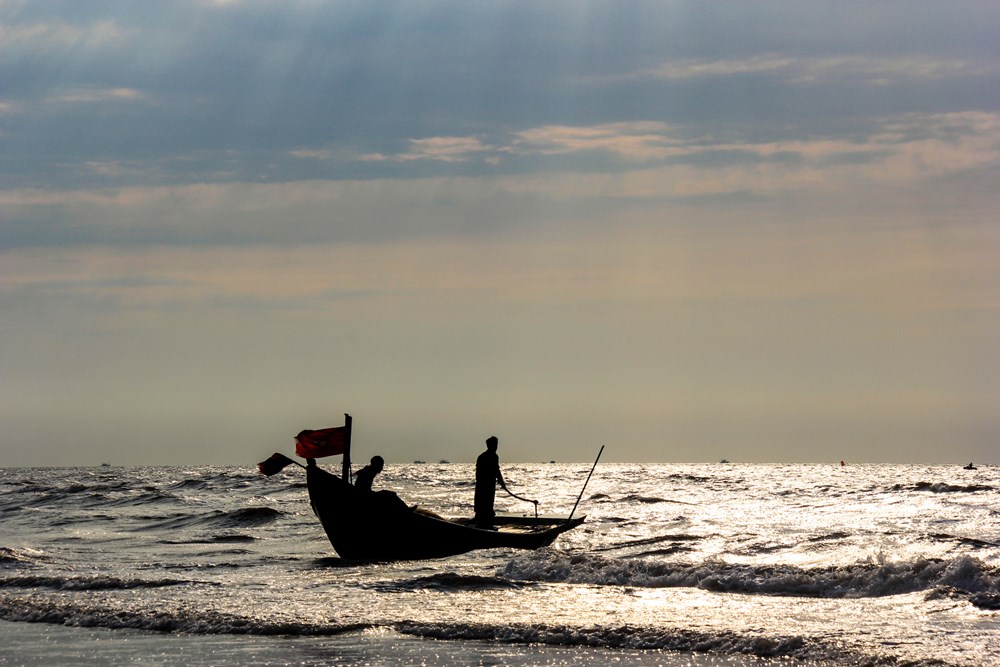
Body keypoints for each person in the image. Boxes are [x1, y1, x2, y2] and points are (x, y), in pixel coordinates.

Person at [475, 436, 509, 528]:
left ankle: (482, 523)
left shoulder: (481, 456)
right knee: (486, 504)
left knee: (482, 505)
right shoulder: (493, 456)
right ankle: (485, 525)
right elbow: (496, 470)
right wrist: (501, 481)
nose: (496, 446)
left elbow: (478, 474)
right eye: (495, 444)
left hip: (482, 485)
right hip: (487, 485)